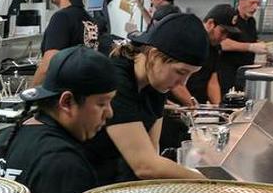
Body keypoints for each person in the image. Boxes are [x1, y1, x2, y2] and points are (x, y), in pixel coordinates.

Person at [84, 12, 210, 184]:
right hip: (85, 181)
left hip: (120, 181)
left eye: (190, 75)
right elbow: (145, 166)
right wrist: (211, 182)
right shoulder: (116, 80)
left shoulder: (156, 84)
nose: (182, 83)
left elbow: (152, 149)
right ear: (154, 55)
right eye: (180, 72)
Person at [0, 46, 117, 193]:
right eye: (102, 103)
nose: (110, 112)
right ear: (67, 102)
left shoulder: (7, 137)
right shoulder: (64, 164)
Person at [33, 0, 99, 86]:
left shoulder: (62, 18)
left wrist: (29, 95)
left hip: (64, 93)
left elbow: (49, 64)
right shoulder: (90, 20)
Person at [169, 4, 240, 107]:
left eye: (228, 34)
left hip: (198, 106)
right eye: (223, 32)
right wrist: (194, 107)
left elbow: (212, 80)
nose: (225, 37)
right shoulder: (188, 41)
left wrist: (218, 108)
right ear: (211, 24)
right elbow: (175, 82)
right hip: (177, 108)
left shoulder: (215, 48)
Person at [217, 0, 270, 97]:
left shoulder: (251, 22)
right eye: (252, 3)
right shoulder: (231, 18)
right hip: (228, 74)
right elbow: (223, 43)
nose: (255, 7)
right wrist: (250, 47)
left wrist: (264, 50)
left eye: (258, 4)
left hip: (244, 73)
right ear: (241, 1)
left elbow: (252, 40)